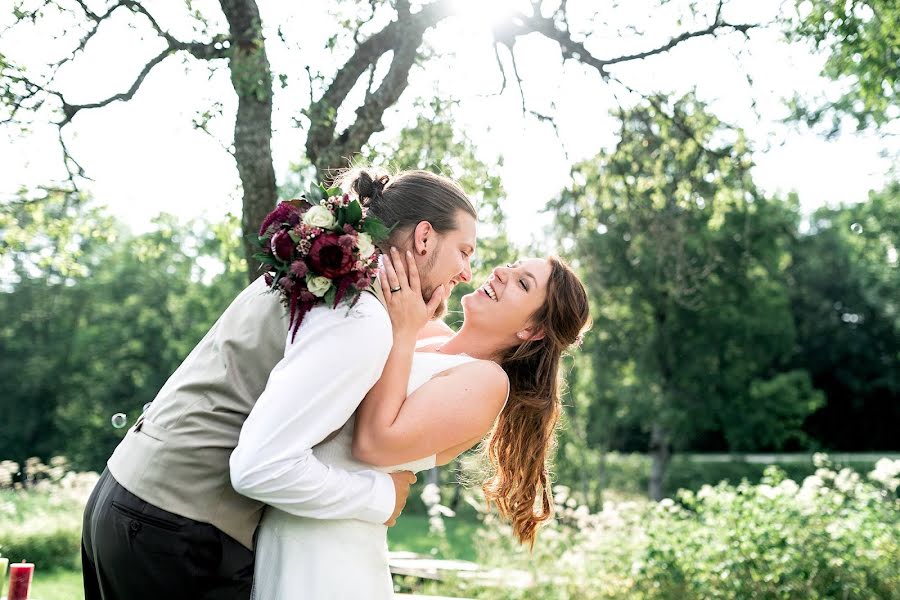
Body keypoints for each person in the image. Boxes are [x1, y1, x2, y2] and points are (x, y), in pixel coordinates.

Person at [81, 168, 478, 600]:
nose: (467, 273)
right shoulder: (358, 317)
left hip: (124, 497)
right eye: (464, 251)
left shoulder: (308, 277)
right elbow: (260, 468)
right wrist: (382, 496)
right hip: (178, 531)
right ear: (424, 238)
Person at [249, 247, 590, 599]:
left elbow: (373, 444)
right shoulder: (428, 330)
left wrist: (403, 331)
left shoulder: (486, 382)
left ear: (532, 330)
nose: (502, 271)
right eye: (513, 265)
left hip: (329, 553)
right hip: (285, 510)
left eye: (522, 283)